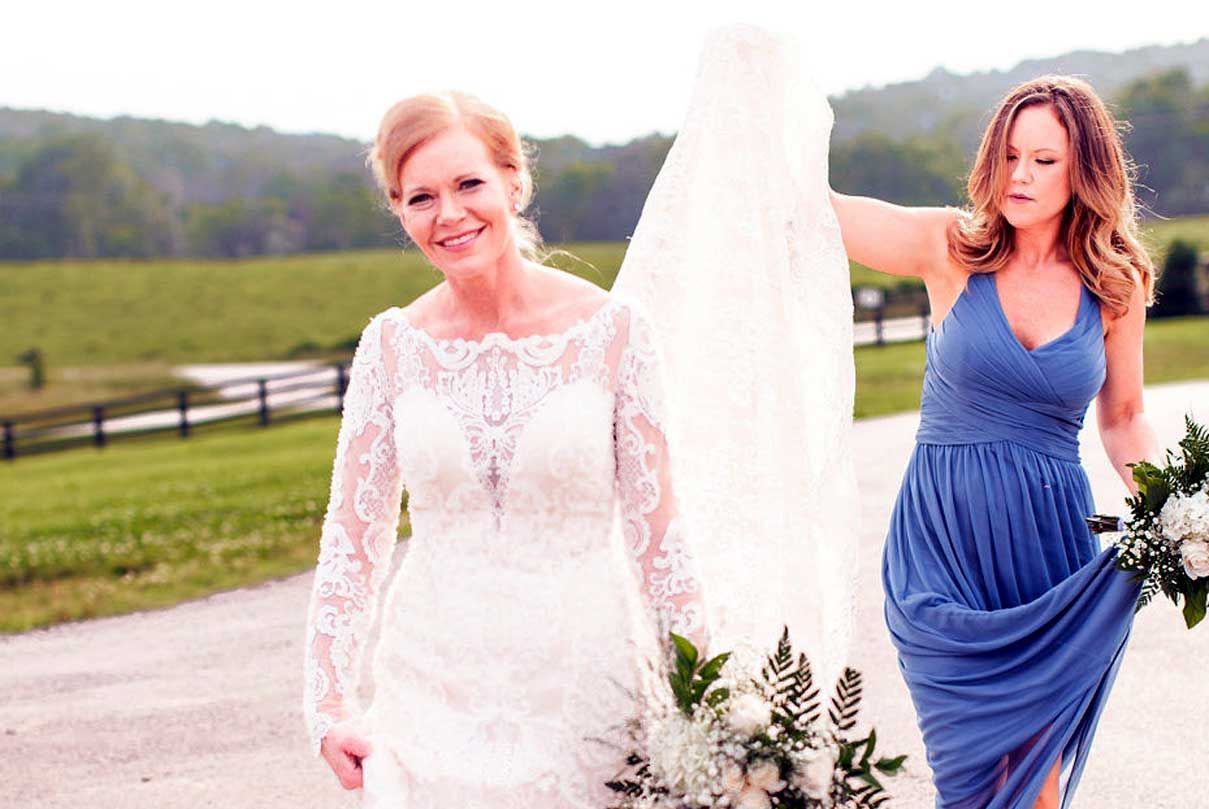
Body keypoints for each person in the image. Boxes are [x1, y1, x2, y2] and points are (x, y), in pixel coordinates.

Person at [301, 90, 708, 807]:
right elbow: (352, 539)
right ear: (398, 210)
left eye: (467, 184)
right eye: (420, 196)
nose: (448, 214)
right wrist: (327, 707)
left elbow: (659, 539)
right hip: (427, 692)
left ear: (513, 180)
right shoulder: (390, 347)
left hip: (581, 688)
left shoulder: (613, 332)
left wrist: (701, 700)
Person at [830, 76, 1160, 807]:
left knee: (1034, 788)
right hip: (940, 541)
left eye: (1044, 161)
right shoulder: (950, 246)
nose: (1019, 176)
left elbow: (1124, 416)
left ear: (1085, 170)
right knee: (974, 769)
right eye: (1010, 155)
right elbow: (819, 214)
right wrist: (762, 113)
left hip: (1047, 548)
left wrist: (1178, 508)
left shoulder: (1114, 282)